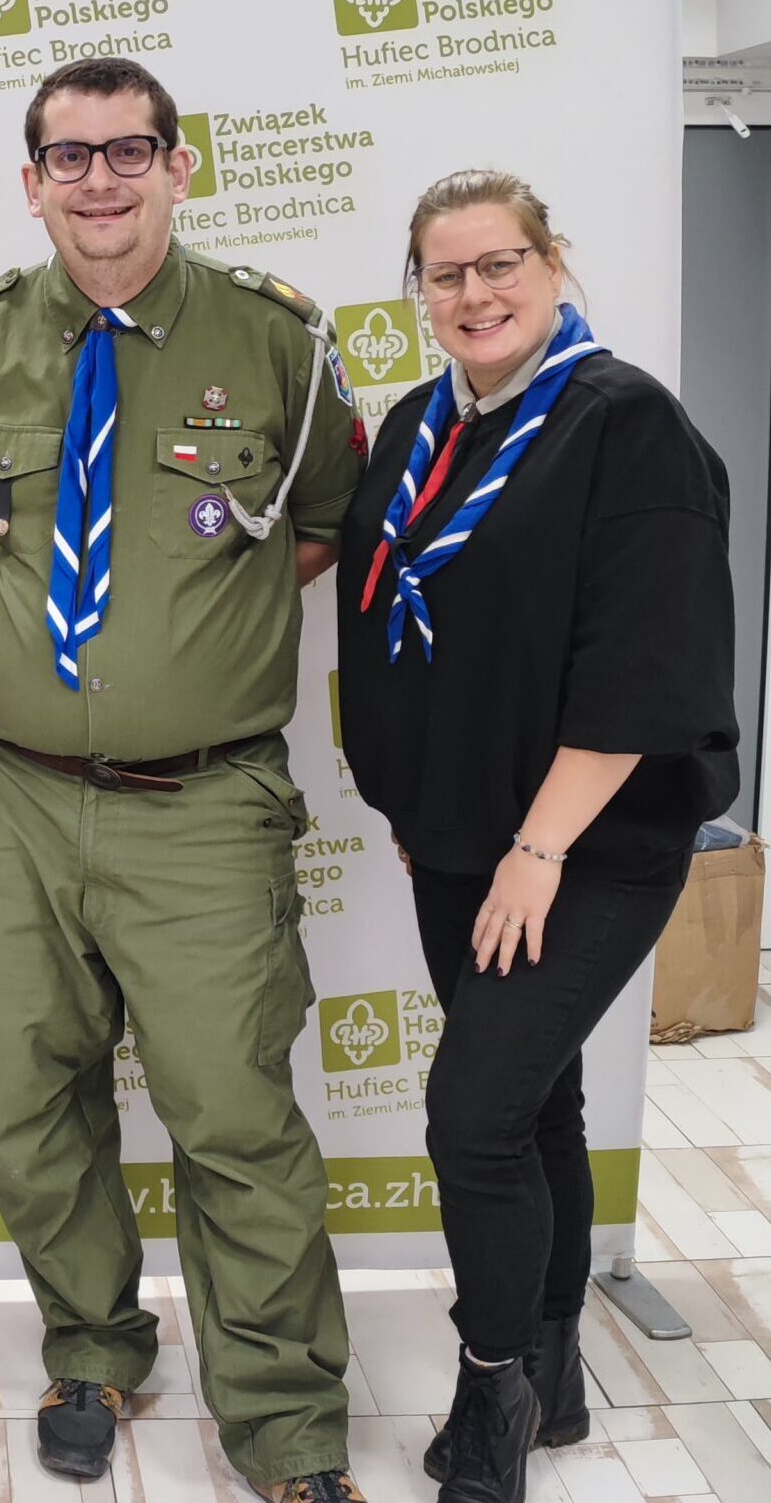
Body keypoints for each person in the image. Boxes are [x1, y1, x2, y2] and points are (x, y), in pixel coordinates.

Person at [0, 56, 365, 1502]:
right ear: (31, 181)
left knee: (235, 1117)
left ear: (180, 166)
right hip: (11, 796)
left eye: (129, 150)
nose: (99, 179)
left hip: (203, 804)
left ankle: (286, 1427)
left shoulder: (276, 338)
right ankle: (92, 1347)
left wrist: (189, 638)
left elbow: (320, 519)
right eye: (70, 155)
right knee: (29, 1103)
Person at [337, 171, 737, 1503]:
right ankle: (556, 1363)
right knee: (531, 1100)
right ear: (420, 290)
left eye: (499, 262)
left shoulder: (624, 423)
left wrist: (538, 846)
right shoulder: (418, 426)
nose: (475, 293)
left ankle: (492, 1381)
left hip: (587, 844)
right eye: (445, 273)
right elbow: (386, 624)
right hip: (458, 835)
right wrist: (414, 798)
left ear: (552, 263)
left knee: (470, 1117)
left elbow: (646, 662)